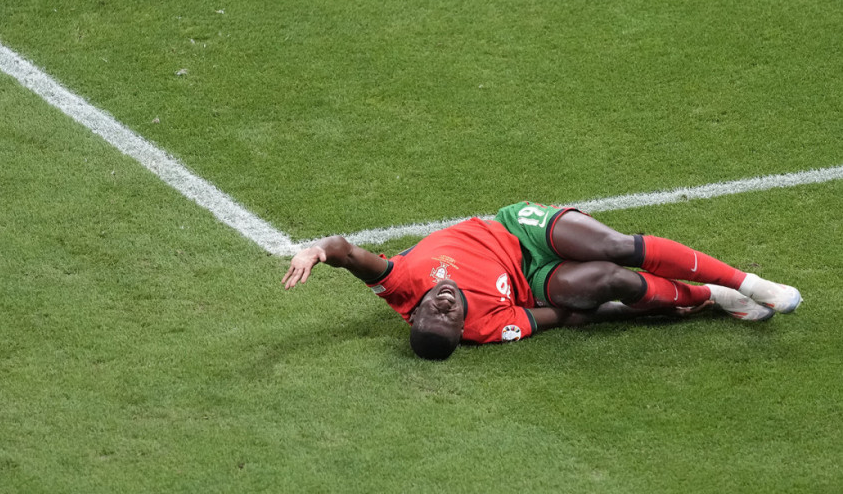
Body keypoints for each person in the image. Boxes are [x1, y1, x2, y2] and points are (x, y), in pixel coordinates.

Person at [282, 202, 801, 360]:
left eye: (432, 311)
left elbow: (344, 250)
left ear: (413, 312)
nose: (444, 304)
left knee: (615, 246)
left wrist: (314, 252)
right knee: (611, 279)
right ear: (462, 331)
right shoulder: (488, 328)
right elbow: (569, 316)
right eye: (450, 316)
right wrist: (664, 307)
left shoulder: (400, 284)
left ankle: (750, 283)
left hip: (517, 231)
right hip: (538, 281)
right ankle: (715, 296)